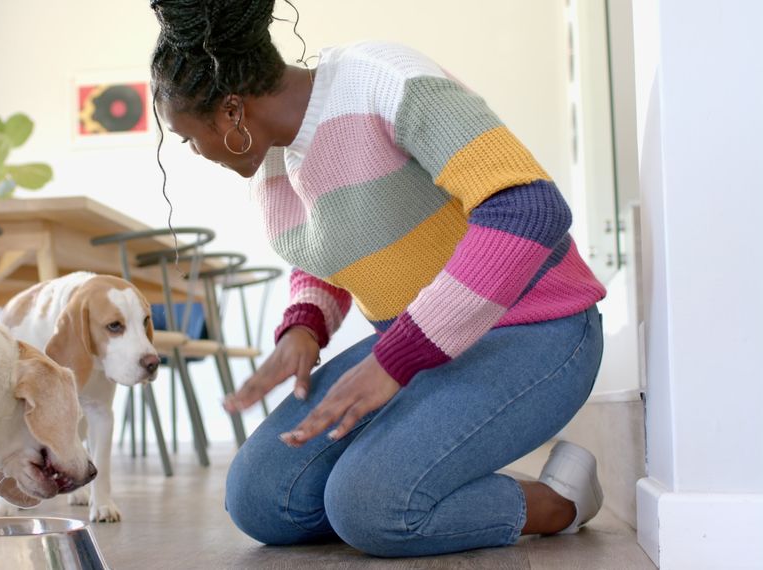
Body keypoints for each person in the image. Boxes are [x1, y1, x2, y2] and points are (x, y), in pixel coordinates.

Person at [149, 0, 607, 558]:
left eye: (188, 136)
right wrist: (305, 326)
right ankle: (430, 469)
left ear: (231, 112)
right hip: (422, 349)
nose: (194, 152)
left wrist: (396, 359)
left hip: (538, 330)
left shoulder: (383, 80)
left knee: (370, 508)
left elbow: (529, 208)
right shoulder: (273, 160)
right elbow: (337, 249)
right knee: (261, 497)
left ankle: (558, 501)